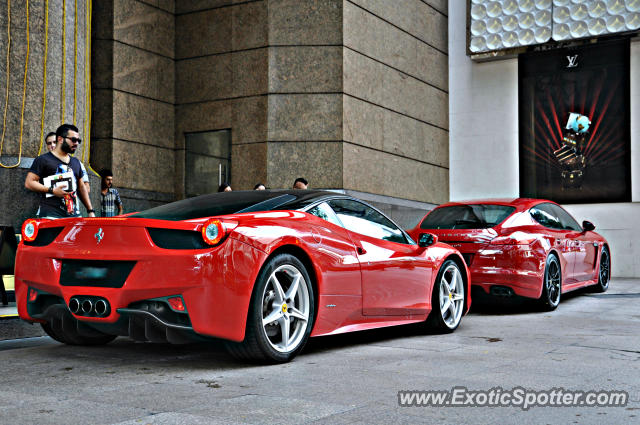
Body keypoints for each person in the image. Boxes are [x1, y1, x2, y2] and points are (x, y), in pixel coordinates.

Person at [25, 124, 96, 218]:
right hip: (51, 215)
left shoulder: (76, 162)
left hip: (74, 215)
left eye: (78, 141)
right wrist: (52, 190)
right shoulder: (43, 159)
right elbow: (29, 183)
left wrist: (90, 210)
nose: (76, 143)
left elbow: (81, 187)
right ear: (60, 139)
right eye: (73, 140)